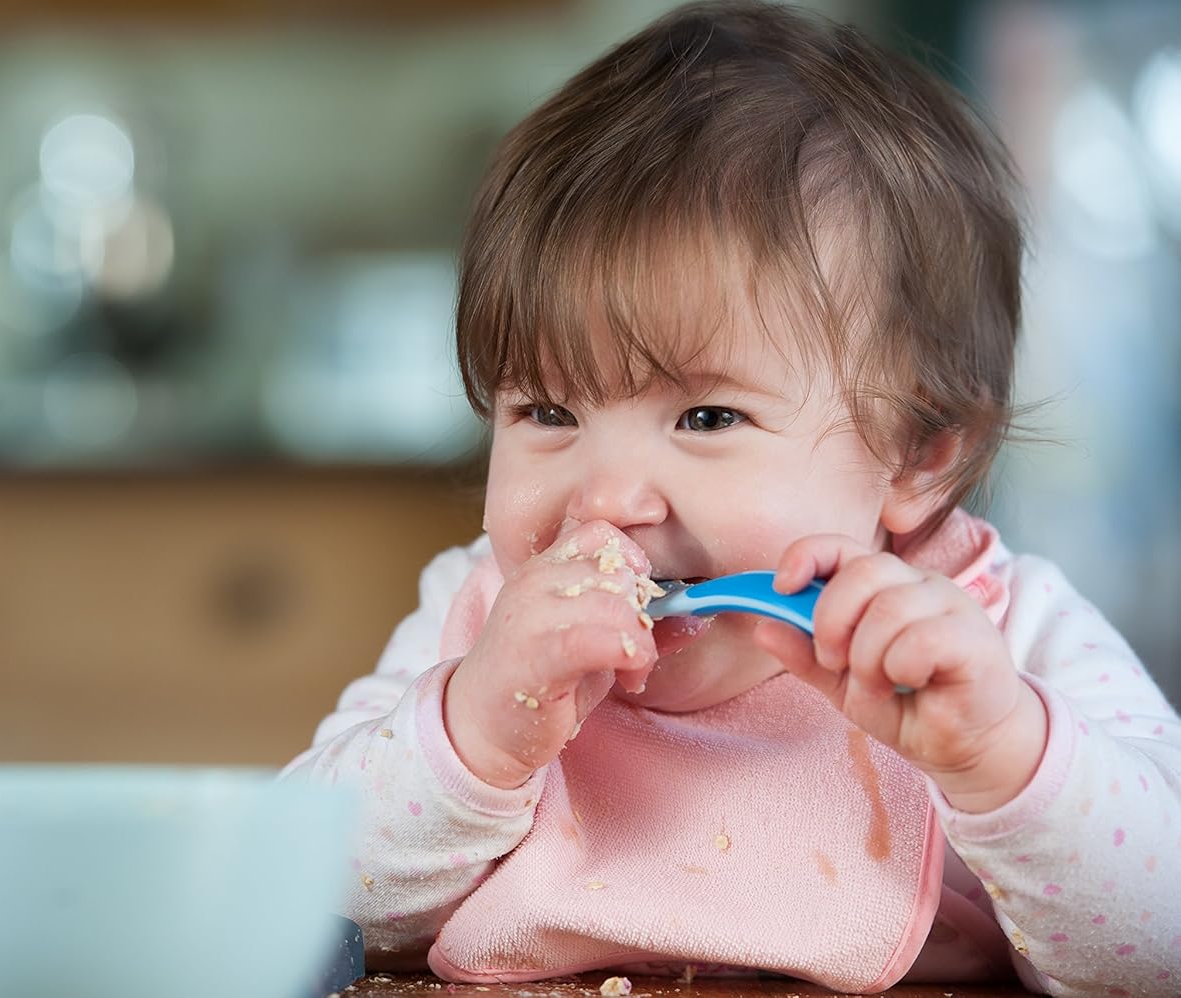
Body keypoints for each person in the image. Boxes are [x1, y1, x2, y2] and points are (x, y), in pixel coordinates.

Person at [281, 2, 1181, 993]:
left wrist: (1006, 762)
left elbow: (1159, 944)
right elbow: (290, 887)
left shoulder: (997, 642)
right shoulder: (479, 620)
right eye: (545, 408)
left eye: (707, 418)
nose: (608, 497)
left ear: (917, 450)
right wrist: (474, 733)